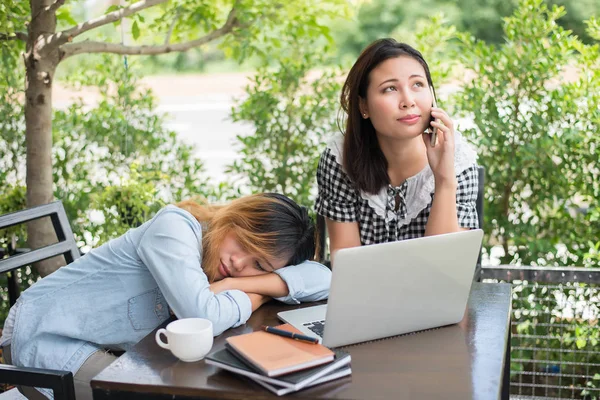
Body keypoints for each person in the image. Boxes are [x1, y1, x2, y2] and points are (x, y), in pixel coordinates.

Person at [0, 193, 331, 400]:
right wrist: (257, 293)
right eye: (243, 244)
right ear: (234, 219)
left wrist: (242, 285)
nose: (239, 263)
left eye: (259, 265)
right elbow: (204, 316)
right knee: (150, 396)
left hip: (107, 344)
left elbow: (324, 278)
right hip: (45, 339)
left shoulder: (231, 274)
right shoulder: (174, 228)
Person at [316, 38, 479, 261]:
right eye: (390, 88)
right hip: (366, 292)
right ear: (363, 105)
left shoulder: (458, 160)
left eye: (418, 85)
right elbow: (346, 263)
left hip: (435, 294)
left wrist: (444, 180)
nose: (408, 101)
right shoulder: (341, 158)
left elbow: (445, 266)